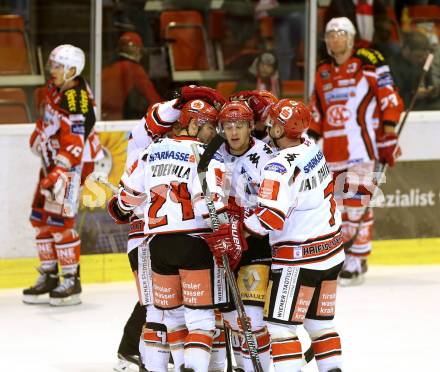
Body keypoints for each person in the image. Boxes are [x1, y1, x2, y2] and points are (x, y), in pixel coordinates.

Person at [109, 86, 226, 372]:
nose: (215, 133)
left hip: (154, 243)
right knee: (198, 319)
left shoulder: (150, 151)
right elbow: (207, 207)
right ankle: (187, 364)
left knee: (163, 316)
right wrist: (225, 228)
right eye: (210, 126)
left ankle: (160, 364)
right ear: (194, 122)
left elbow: (123, 202)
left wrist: (120, 208)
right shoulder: (205, 155)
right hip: (191, 242)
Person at [309, 17, 404, 285]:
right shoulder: (323, 70)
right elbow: (317, 110)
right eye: (330, 34)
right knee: (337, 205)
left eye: (340, 33)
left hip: (362, 147)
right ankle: (342, 256)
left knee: (358, 202)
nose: (334, 38)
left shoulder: (368, 61)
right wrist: (306, 141)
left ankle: (357, 259)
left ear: (351, 38)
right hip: (332, 149)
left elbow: (388, 95)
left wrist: (389, 132)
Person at [23, 44, 103, 306]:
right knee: (41, 218)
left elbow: (75, 142)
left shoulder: (76, 97)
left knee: (61, 221)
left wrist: (60, 169)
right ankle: (49, 274)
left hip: (70, 166)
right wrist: (40, 135)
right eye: (52, 65)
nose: (52, 70)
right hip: (53, 162)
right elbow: (49, 121)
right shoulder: (58, 88)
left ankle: (71, 279)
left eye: (57, 66)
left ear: (72, 69)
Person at [204, 99, 275, 372]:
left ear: (250, 127)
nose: (234, 132)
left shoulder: (267, 156)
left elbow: (273, 207)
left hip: (255, 243)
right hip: (222, 240)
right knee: (230, 317)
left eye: (240, 125)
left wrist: (243, 229)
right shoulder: (214, 155)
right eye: (228, 126)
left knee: (253, 320)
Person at [101, 31, 161, 120]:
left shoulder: (108, 67)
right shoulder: (133, 68)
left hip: (99, 115)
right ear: (137, 49)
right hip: (113, 118)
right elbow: (153, 98)